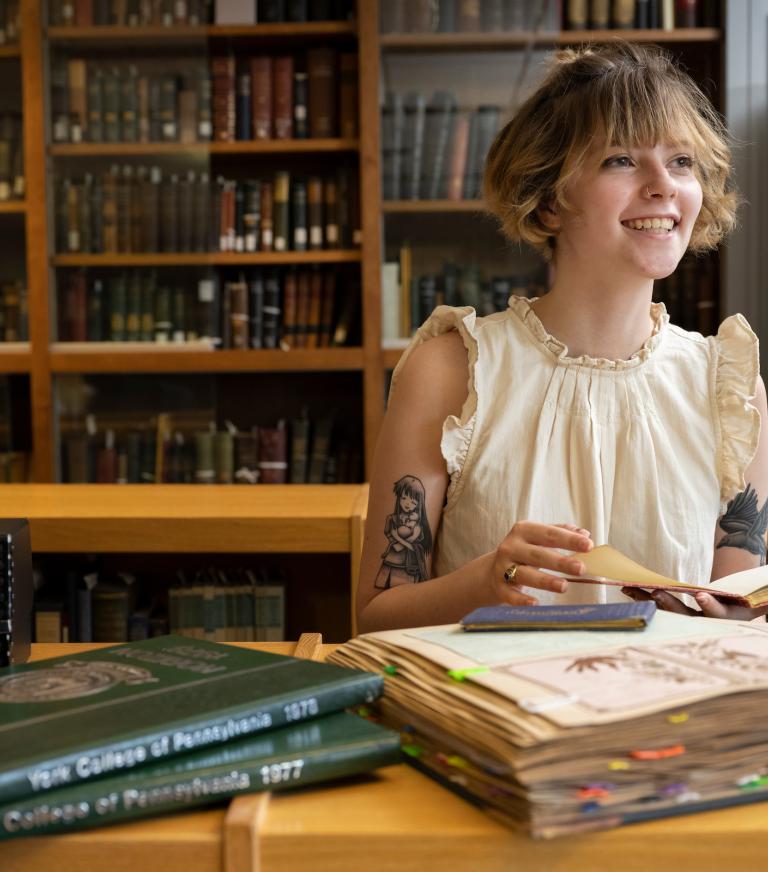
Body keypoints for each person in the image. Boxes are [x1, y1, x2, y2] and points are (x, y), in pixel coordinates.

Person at [357, 42, 768, 634]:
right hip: (496, 718)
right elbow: (373, 620)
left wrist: (724, 617)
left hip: (665, 718)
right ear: (549, 201)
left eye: (681, 161)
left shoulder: (731, 389)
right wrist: (484, 582)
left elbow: (739, 616)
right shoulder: (451, 371)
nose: (663, 186)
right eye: (621, 160)